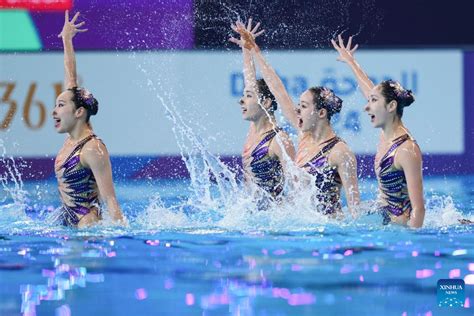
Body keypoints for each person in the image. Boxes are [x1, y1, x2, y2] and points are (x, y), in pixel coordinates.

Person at [231, 21, 359, 217]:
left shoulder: (340, 151)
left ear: (321, 113)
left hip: (331, 229)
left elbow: (355, 210)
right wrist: (252, 50)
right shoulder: (304, 137)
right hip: (305, 226)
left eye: (304, 107)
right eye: (298, 106)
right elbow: (277, 89)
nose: (296, 111)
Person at [332, 35, 425, 227]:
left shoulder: (406, 151)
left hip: (400, 230)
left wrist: (412, 242)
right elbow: (369, 89)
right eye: (369, 101)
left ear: (391, 106)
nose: (367, 107)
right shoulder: (387, 132)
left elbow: (419, 209)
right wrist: (351, 62)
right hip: (384, 221)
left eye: (373, 101)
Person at [52, 11, 126, 227]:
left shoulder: (92, 149)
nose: (54, 111)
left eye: (60, 105)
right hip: (68, 223)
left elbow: (110, 199)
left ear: (79, 112)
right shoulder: (73, 137)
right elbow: (71, 77)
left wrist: (123, 234)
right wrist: (66, 40)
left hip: (87, 227)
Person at [230, 19, 296, 202]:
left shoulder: (279, 140)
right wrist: (246, 47)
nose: (241, 100)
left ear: (266, 103)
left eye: (248, 96)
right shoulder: (254, 131)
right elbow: (250, 79)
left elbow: (298, 190)